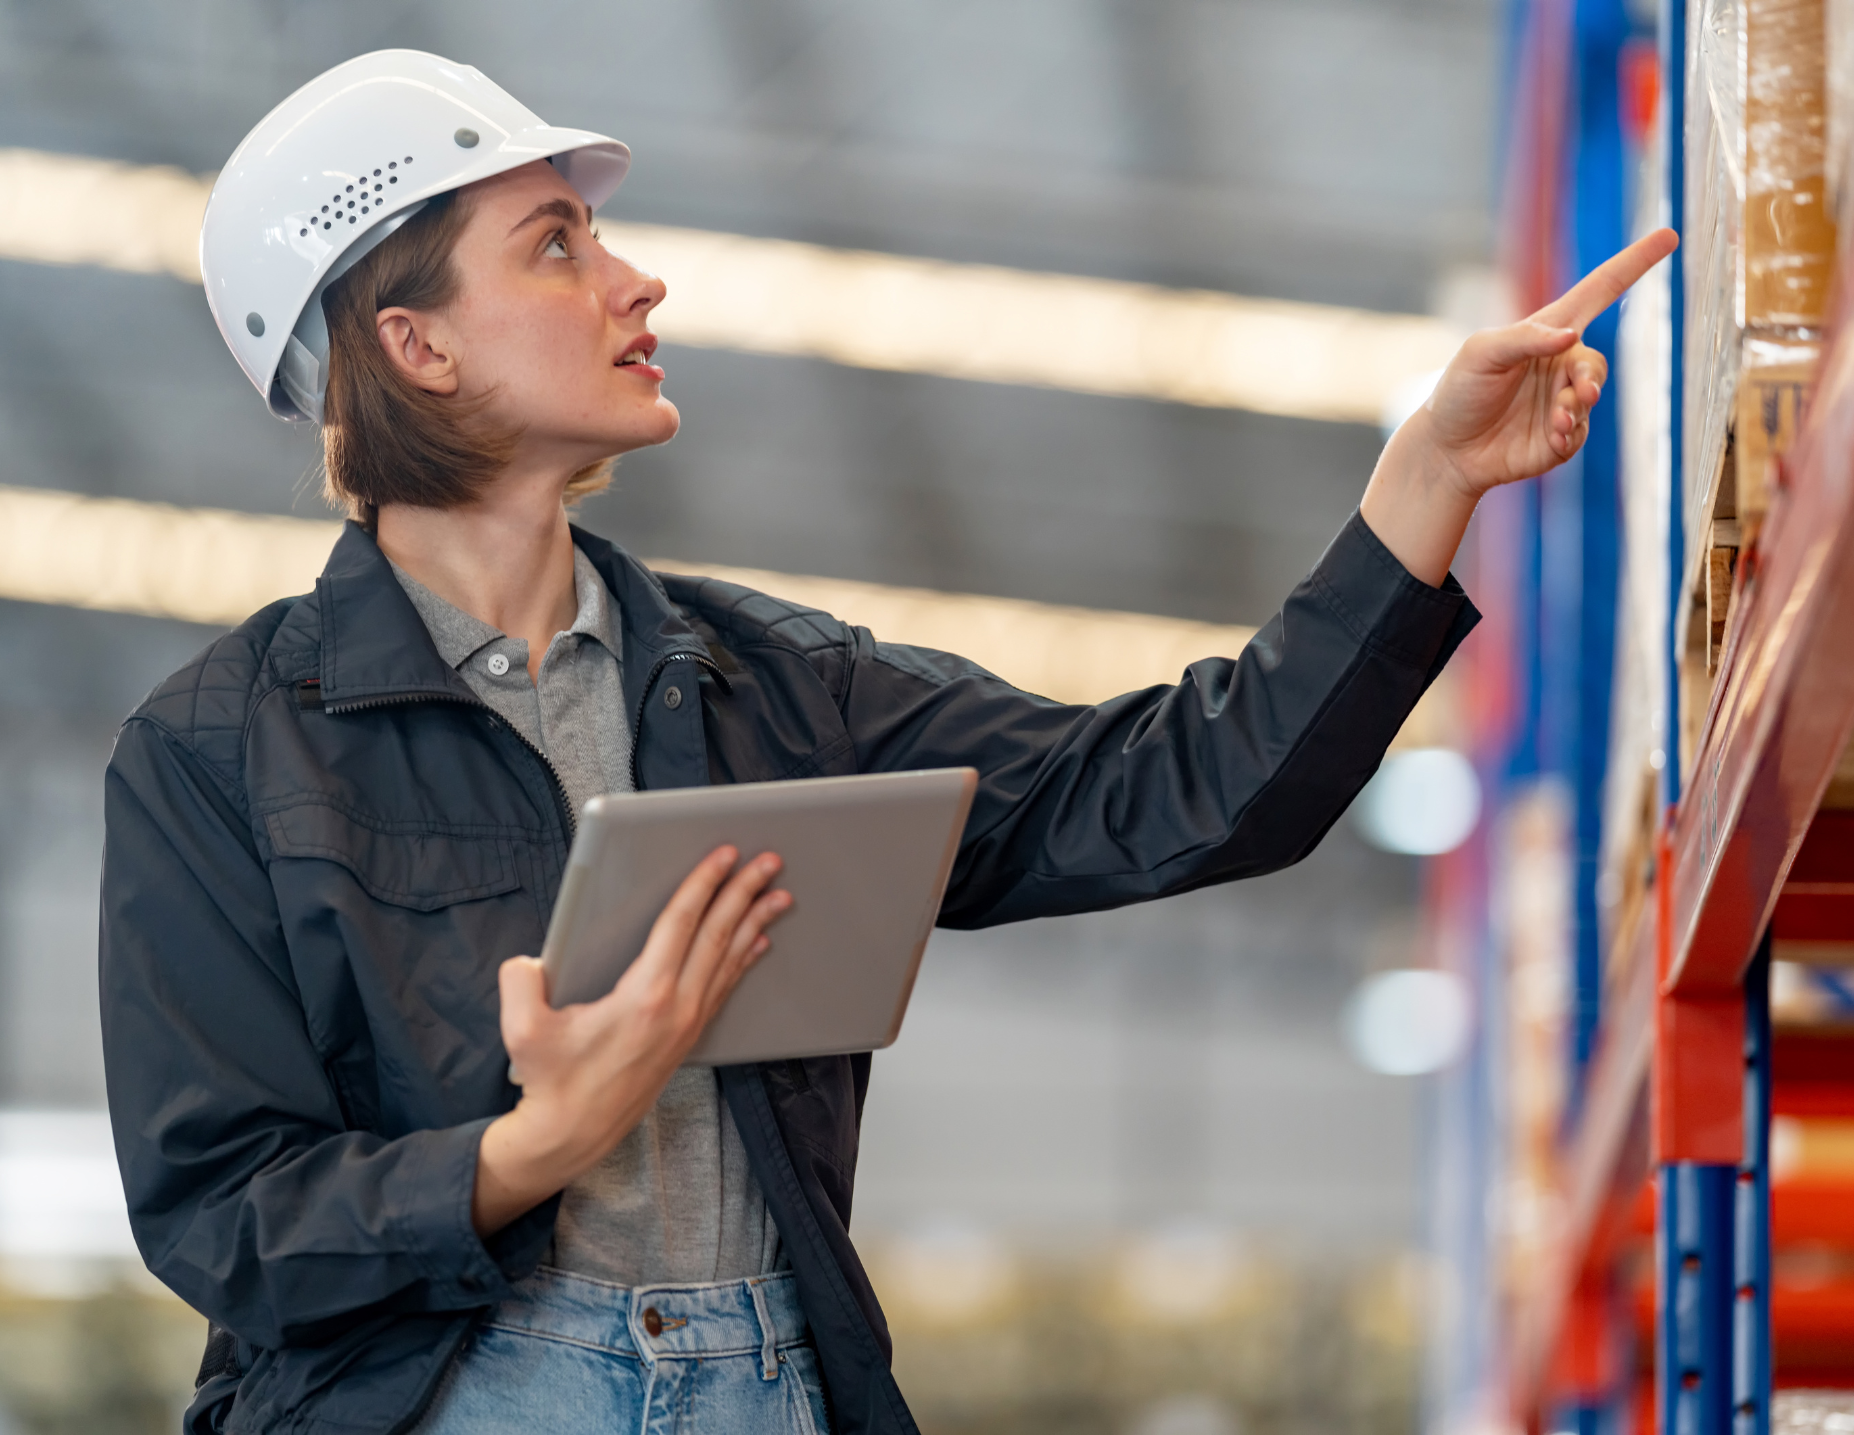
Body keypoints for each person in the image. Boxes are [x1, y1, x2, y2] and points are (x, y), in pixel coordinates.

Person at [98, 48, 1675, 1435]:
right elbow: (227, 1219)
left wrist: (1417, 499)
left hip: (770, 1382)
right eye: (559, 246)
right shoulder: (217, 758)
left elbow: (1178, 790)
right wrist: (530, 1150)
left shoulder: (772, 690)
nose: (638, 283)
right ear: (416, 344)